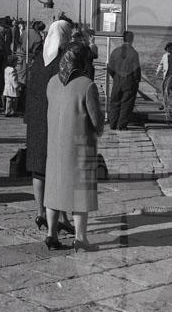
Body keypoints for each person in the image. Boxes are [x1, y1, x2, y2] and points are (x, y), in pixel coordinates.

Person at [44, 41, 103, 251]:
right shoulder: (87, 85)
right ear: (82, 61)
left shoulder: (52, 82)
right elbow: (96, 121)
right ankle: (80, 238)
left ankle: (51, 234)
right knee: (81, 193)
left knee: (54, 189)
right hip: (81, 146)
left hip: (55, 145)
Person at [25, 19, 74, 235]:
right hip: (55, 121)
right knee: (58, 171)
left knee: (39, 169)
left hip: (36, 121)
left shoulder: (38, 60)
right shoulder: (64, 60)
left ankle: (40, 213)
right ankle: (61, 217)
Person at [107, 30, 141, 130]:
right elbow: (136, 70)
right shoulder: (134, 53)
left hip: (117, 80)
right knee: (127, 103)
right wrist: (137, 80)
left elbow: (110, 68)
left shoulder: (115, 51)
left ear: (123, 39)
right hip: (129, 81)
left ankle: (113, 124)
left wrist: (115, 77)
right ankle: (121, 125)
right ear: (132, 39)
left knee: (115, 102)